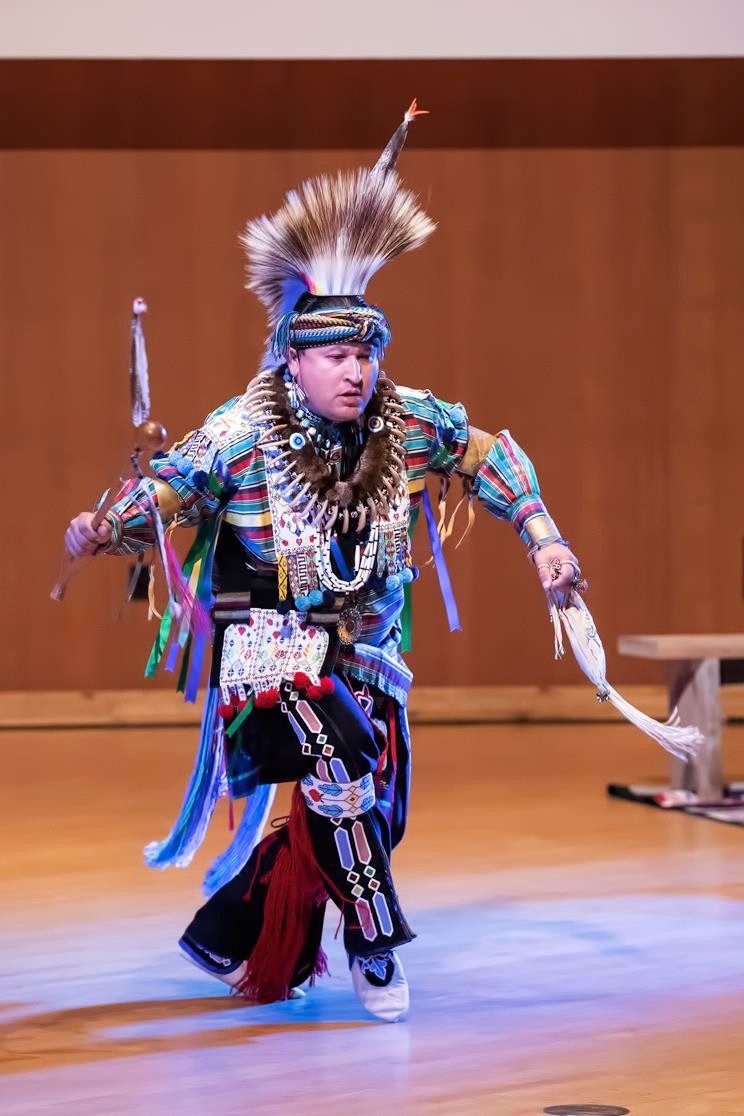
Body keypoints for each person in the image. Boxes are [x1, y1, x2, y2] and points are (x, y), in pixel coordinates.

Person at [64, 104, 582, 1023]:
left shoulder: (409, 420)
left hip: (368, 654)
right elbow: (173, 489)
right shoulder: (244, 427)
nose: (357, 372)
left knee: (364, 805)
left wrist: (544, 538)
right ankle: (378, 947)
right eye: (338, 355)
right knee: (340, 767)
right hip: (267, 649)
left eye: (366, 355)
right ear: (297, 362)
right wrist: (106, 528)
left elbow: (492, 456)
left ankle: (234, 932)